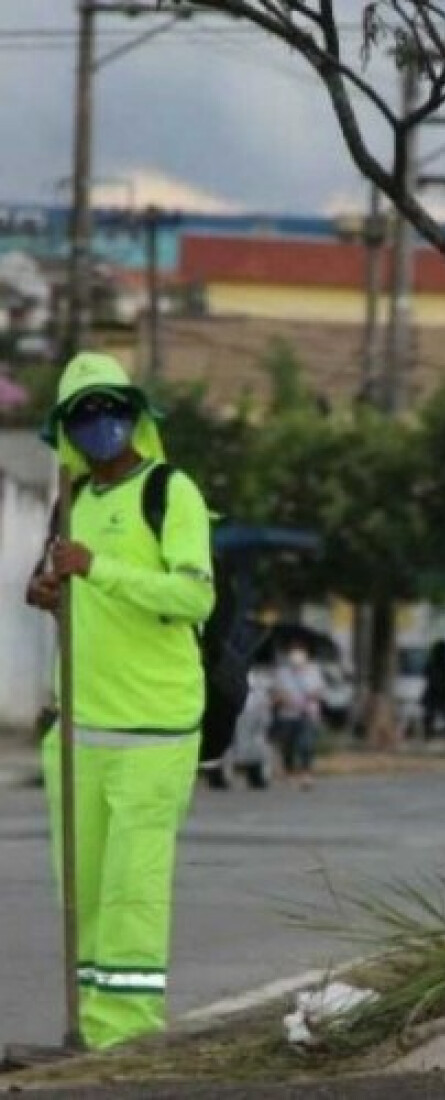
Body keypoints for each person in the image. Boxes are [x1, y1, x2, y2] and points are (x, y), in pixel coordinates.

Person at [24, 352, 214, 1051]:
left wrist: (97, 568)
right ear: (66, 429)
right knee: (85, 893)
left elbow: (195, 595)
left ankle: (127, 1039)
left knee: (133, 890)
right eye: (83, 413)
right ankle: (90, 1030)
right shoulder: (70, 501)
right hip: (78, 729)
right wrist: (48, 593)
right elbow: (61, 589)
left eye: (111, 408)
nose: (99, 423)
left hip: (155, 729)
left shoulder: (171, 491)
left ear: (135, 415)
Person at [270, 645, 323, 789]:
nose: (297, 667)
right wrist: (287, 700)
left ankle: (306, 773)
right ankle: (290, 772)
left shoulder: (313, 672)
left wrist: (309, 697)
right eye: (294, 665)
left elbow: (319, 691)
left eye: (299, 665)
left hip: (307, 714)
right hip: (287, 715)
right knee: (288, 746)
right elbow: (277, 694)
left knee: (306, 744)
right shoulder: (282, 674)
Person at [421, 639, 445, 751]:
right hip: (441, 695)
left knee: (433, 718)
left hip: (435, 694)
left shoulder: (436, 664)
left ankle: (429, 737)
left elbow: (426, 675)